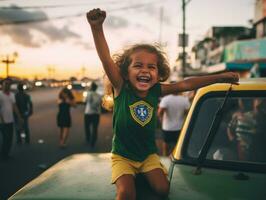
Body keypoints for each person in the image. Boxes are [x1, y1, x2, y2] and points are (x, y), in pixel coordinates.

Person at [87, 8, 239, 200]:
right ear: (125, 72)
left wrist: (221, 77)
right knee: (126, 194)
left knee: (162, 189)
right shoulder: (121, 88)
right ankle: (131, 177)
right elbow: (106, 58)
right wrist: (96, 28)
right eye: (138, 65)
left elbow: (186, 83)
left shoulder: (155, 91)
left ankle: (142, 175)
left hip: (148, 156)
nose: (145, 70)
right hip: (123, 157)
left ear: (158, 74)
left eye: (151, 67)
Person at [158, 92, 190, 156]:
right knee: (178, 144)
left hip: (167, 126)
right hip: (180, 126)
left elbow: (159, 113)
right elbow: (188, 113)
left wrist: (161, 121)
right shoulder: (184, 100)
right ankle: (175, 157)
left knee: (166, 143)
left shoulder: (166, 99)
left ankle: (165, 157)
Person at [0, 78, 23, 160]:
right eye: (5, 84)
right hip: (2, 121)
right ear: (2, 85)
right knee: (5, 138)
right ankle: (3, 155)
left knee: (9, 138)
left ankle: (6, 154)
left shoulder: (12, 95)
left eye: (9, 84)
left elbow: (14, 106)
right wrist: (1, 119)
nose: (7, 85)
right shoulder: (0, 95)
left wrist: (19, 117)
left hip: (10, 120)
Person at [84, 81, 102, 147]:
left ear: (91, 87)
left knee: (87, 127)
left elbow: (85, 101)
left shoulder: (89, 94)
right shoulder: (99, 95)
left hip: (88, 113)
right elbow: (100, 103)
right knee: (95, 128)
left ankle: (88, 139)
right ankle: (93, 141)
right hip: (96, 114)